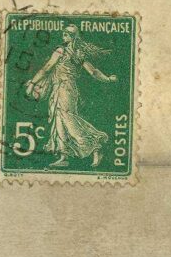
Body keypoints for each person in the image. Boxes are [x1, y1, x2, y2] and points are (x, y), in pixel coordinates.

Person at [24, 24, 117, 168]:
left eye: (66, 33)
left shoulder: (61, 51)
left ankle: (94, 145)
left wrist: (32, 82)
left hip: (64, 89)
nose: (63, 35)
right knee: (59, 119)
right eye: (63, 32)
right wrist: (108, 79)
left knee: (67, 119)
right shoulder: (79, 53)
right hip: (65, 89)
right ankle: (64, 156)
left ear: (72, 36)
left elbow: (47, 67)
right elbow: (93, 72)